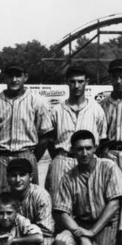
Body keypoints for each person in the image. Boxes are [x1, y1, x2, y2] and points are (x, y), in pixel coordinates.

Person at [52, 130, 122, 245]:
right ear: (72, 150)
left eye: (88, 148)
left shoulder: (109, 166)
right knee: (61, 241)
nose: (84, 153)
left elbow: (115, 203)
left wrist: (91, 232)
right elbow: (62, 212)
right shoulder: (68, 177)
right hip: (81, 226)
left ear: (95, 148)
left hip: (106, 226)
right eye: (79, 149)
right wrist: (82, 235)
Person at [0, 65, 53, 186]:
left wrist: (31, 157)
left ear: (25, 77)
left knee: (28, 200)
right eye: (10, 76)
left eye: (18, 75)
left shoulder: (37, 102)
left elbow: (44, 137)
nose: (14, 79)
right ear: (5, 78)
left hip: (25, 153)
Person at [45, 65, 107, 197]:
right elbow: (50, 141)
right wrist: (61, 156)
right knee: (57, 203)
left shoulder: (96, 109)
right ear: (67, 82)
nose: (76, 85)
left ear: (87, 82)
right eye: (73, 81)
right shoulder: (57, 110)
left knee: (88, 202)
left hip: (88, 162)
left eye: (80, 81)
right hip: (63, 159)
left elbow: (101, 141)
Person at [0, 158, 56, 245]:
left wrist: (18, 240)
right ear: (7, 177)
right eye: (13, 175)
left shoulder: (41, 195)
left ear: (31, 177)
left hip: (35, 242)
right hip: (11, 243)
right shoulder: (3, 195)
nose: (18, 179)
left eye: (22, 175)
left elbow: (45, 233)